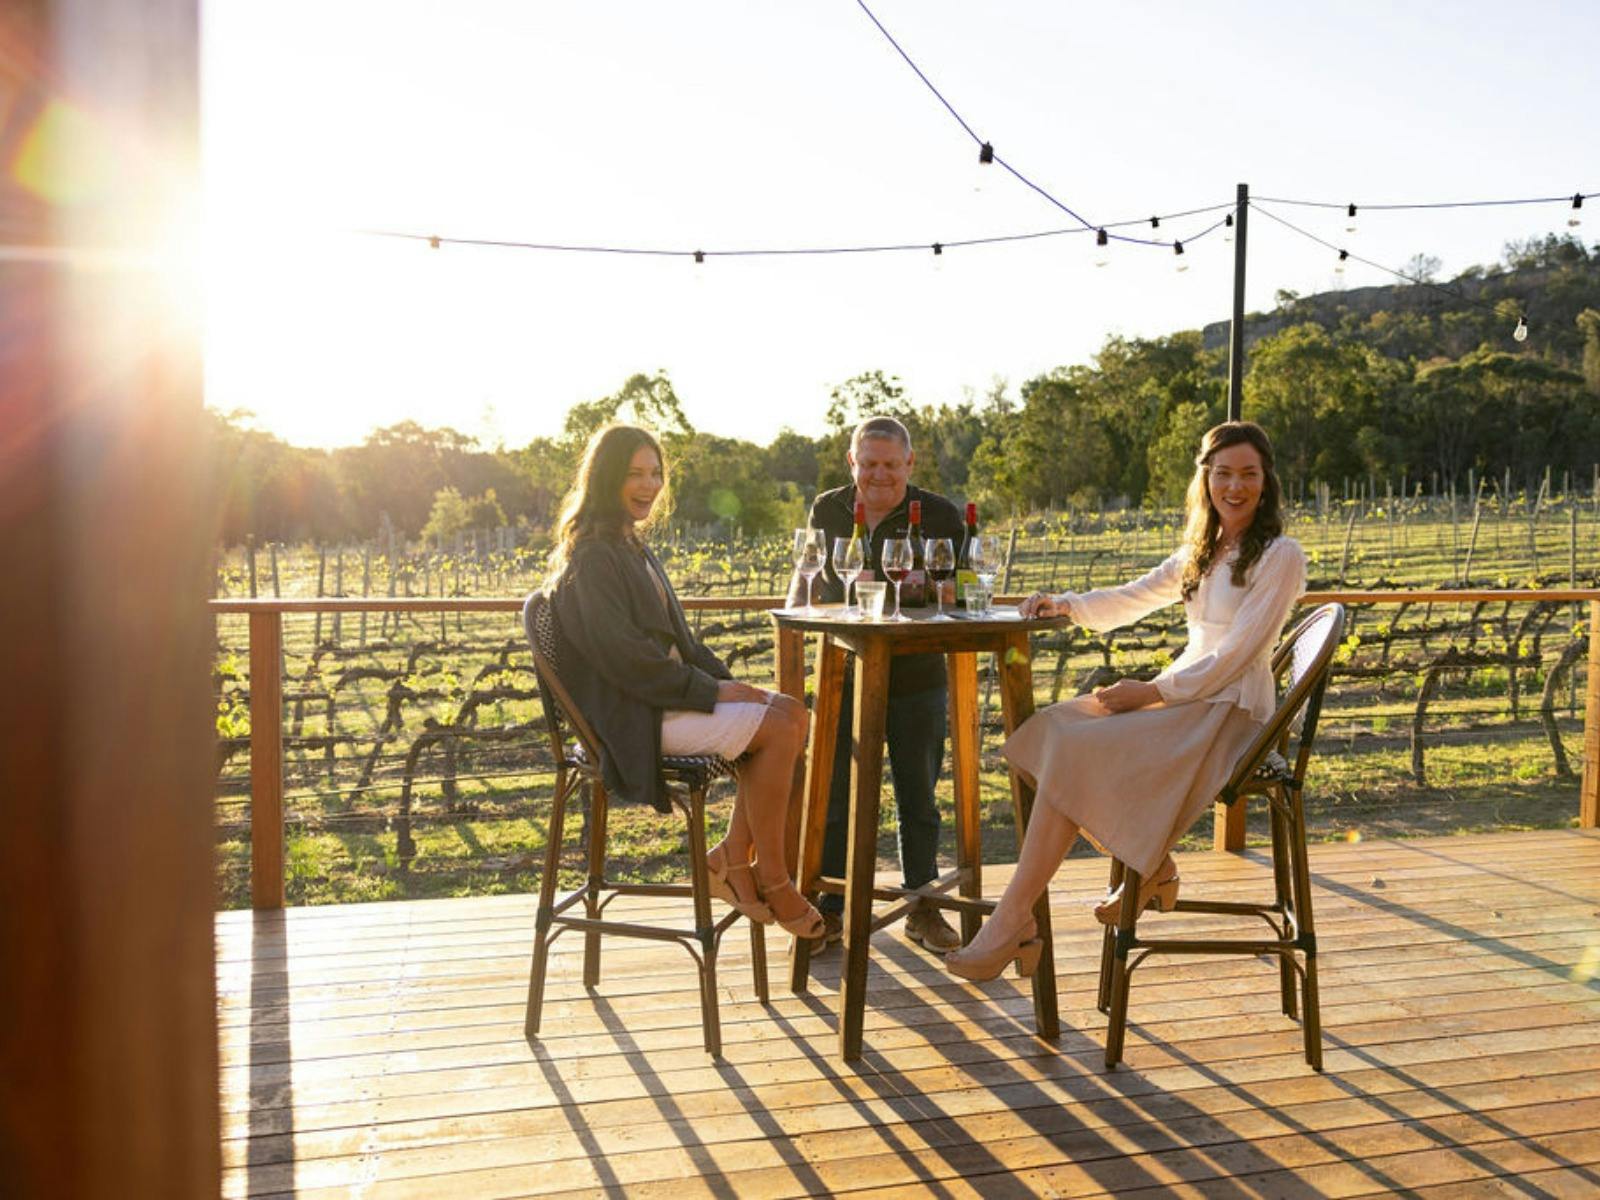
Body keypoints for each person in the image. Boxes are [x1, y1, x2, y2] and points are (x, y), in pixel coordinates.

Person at [945, 420, 1306, 981]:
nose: (1236, 487)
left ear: (1267, 482)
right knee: (1058, 731)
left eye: (1249, 475)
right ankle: (1149, 869)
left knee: (1076, 750)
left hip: (1232, 712)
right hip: (1188, 695)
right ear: (1205, 480)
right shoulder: (1202, 549)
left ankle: (1013, 920)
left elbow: (1237, 656)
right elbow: (1134, 597)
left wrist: (1153, 692)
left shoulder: (1281, 555)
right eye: (1223, 474)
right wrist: (1065, 605)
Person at [546, 424, 822, 939]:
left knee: (790, 712)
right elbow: (625, 661)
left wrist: (736, 686)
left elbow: (683, 645)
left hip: (665, 700)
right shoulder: (592, 558)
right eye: (634, 474)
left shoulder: (629, 545)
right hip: (637, 718)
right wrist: (714, 692)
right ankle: (769, 877)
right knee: (780, 729)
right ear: (606, 479)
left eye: (655, 473)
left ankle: (731, 861)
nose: (648, 486)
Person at [788, 415, 966, 953]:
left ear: (910, 464)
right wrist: (798, 597)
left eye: (891, 464)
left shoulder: (938, 514)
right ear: (852, 463)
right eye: (869, 464)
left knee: (919, 798)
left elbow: (954, 592)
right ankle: (831, 906)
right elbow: (810, 575)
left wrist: (934, 593)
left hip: (917, 674)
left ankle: (923, 906)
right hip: (844, 674)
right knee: (835, 796)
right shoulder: (828, 508)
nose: (880, 474)